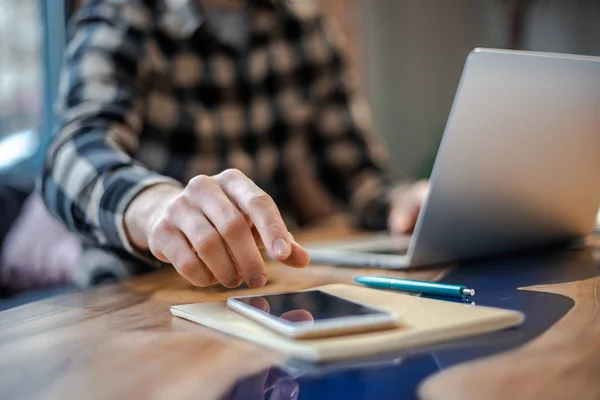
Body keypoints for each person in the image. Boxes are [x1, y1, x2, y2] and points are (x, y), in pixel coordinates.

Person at [41, 0, 428, 289]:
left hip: (264, 287)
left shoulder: (303, 24)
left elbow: (354, 170)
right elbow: (71, 152)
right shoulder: (122, 15)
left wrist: (403, 201)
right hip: (136, 296)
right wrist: (154, 205)